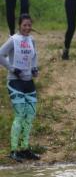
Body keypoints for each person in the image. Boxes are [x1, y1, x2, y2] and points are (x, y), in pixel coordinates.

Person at [0, 14, 40, 163]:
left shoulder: (32, 40)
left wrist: (35, 68)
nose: (27, 28)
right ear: (19, 25)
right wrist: (12, 68)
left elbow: (34, 56)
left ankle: (24, 149)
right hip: (15, 82)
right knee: (20, 115)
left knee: (30, 115)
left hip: (28, 82)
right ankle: (14, 150)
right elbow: (0, 54)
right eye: (24, 25)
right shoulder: (13, 40)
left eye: (29, 25)